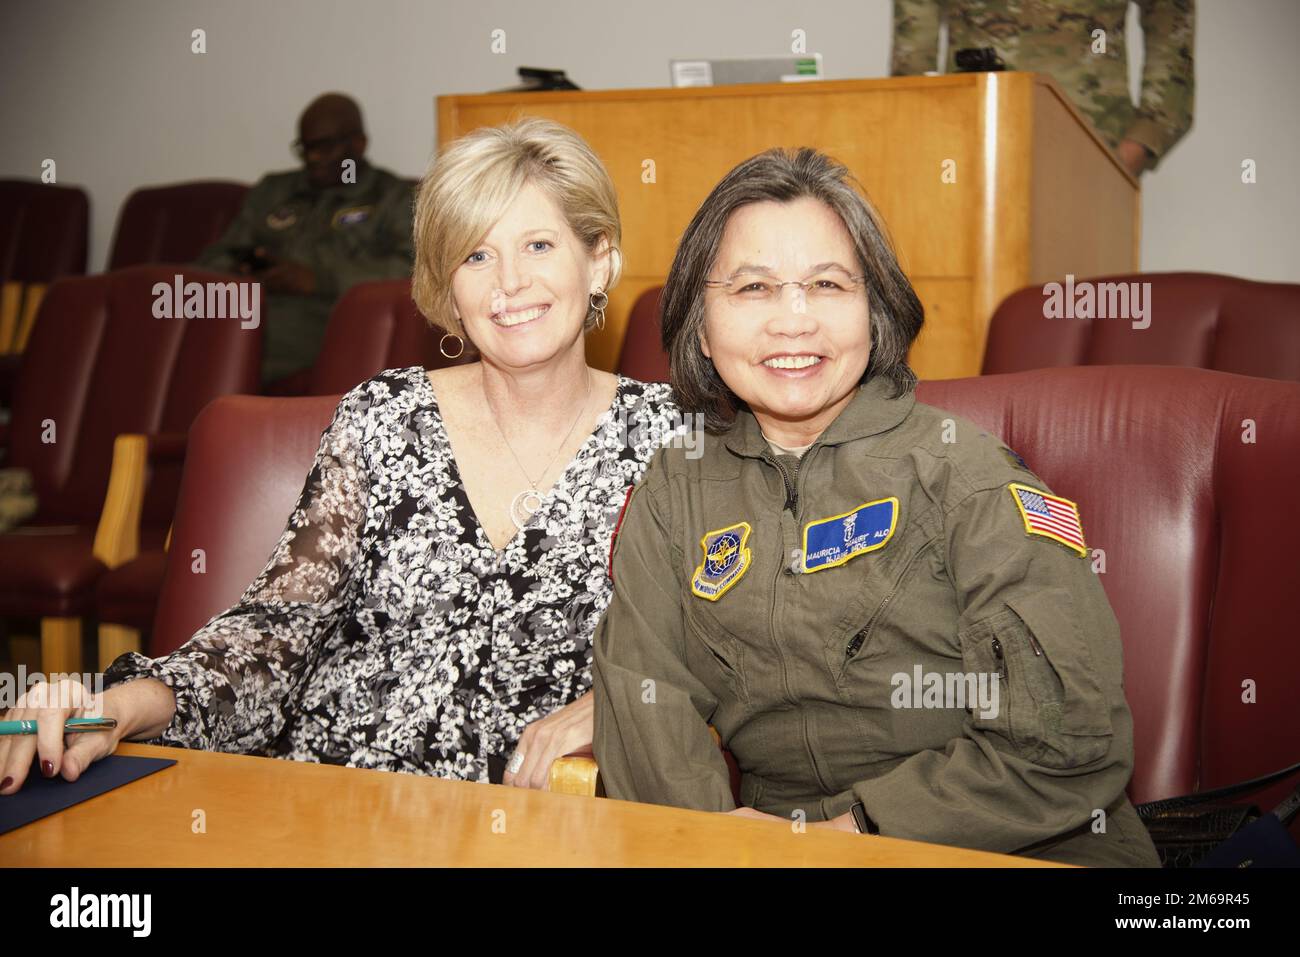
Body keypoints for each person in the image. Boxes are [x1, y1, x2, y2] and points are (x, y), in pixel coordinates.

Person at [0, 118, 680, 797]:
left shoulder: (669, 439)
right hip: (335, 801)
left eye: (538, 244)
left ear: (600, 259)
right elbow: (274, 634)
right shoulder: (382, 418)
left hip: (539, 820)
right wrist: (116, 707)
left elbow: (735, 649)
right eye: (475, 255)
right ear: (448, 287)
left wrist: (624, 701)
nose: (508, 283)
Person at [590, 146, 1162, 866]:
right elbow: (647, 702)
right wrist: (721, 848)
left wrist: (843, 840)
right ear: (701, 328)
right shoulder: (677, 488)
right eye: (753, 288)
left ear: (875, 310)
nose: (794, 321)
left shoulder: (967, 477)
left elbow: (1069, 743)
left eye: (828, 284)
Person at [194, 92, 416, 385]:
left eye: (324, 147)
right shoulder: (273, 191)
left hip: (323, 318)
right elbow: (215, 257)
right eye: (306, 147)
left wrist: (316, 279)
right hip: (249, 305)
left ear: (358, 144)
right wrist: (242, 271)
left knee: (225, 343)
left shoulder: (394, 197)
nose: (313, 158)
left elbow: (410, 270)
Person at [890, 0, 1195, 175]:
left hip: (1093, 152)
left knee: (1078, 285)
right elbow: (915, 31)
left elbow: (1171, 26)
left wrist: (1138, 145)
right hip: (966, 146)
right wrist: (921, 138)